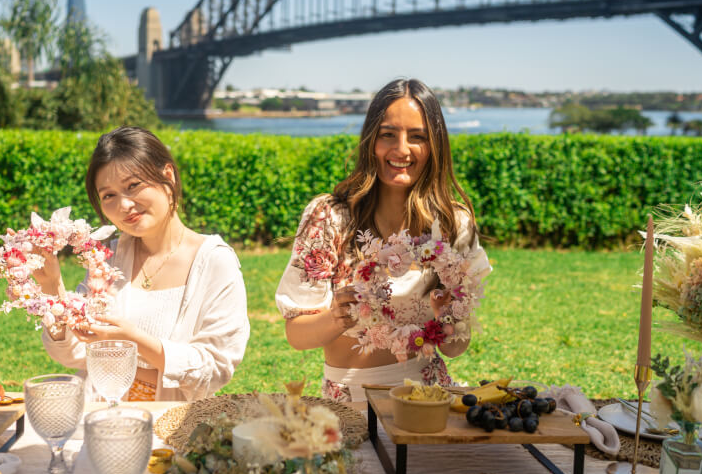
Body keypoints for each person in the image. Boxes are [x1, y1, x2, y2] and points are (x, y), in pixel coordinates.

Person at [275, 78, 491, 403]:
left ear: (434, 146)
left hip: (427, 396)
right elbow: (297, 335)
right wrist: (338, 316)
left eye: (417, 137)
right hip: (349, 402)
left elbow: (456, 347)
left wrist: (449, 316)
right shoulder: (329, 217)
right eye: (388, 134)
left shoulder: (452, 222)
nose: (401, 149)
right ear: (370, 141)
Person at [38, 126, 250, 401]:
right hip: (97, 418)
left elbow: (214, 369)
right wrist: (51, 286)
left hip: (172, 428)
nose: (124, 205)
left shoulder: (214, 262)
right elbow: (73, 352)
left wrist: (134, 340)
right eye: (109, 196)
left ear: (168, 176)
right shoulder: (109, 259)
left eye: (133, 186)